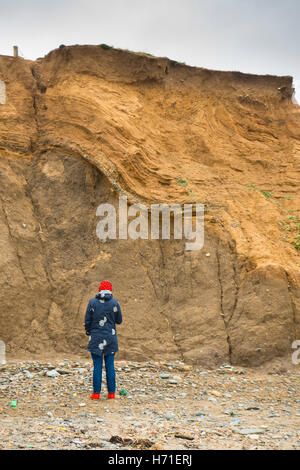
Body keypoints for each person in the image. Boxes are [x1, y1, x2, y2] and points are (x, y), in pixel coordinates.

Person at [84, 280, 122, 399]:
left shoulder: (92, 302)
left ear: (99, 290)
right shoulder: (115, 303)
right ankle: (111, 394)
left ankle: (96, 394)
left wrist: (89, 331)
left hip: (96, 338)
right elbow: (119, 320)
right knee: (110, 366)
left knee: (97, 366)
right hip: (110, 338)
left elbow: (87, 320)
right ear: (110, 290)